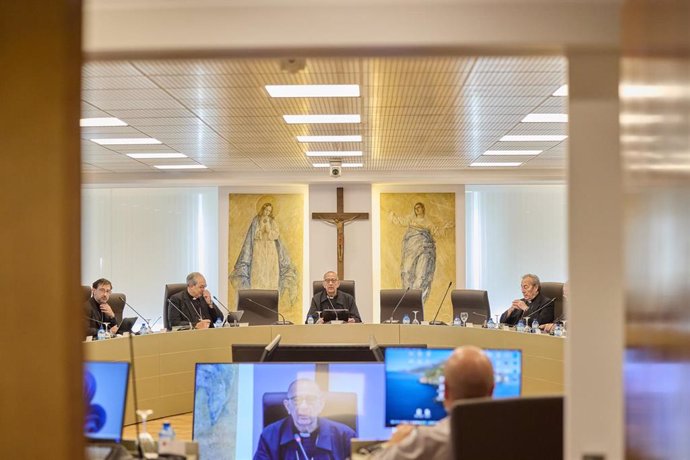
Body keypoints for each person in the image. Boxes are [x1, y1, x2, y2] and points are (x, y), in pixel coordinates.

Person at [372, 346, 494, 460]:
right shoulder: (509, 435)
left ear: (445, 391)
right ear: (491, 390)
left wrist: (394, 443)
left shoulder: (428, 439)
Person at [254, 379, 356, 460]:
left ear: (321, 405)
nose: (303, 406)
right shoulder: (270, 435)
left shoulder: (345, 435)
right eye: (297, 400)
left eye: (311, 399)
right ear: (287, 406)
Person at [230, 201, 298, 303]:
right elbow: (254, 234)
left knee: (270, 270)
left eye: (269, 211)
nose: (267, 212)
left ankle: (271, 298)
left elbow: (276, 235)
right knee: (258, 268)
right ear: (262, 209)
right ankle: (256, 297)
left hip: (270, 248)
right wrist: (261, 229)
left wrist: (269, 230)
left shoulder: (272, 221)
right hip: (259, 247)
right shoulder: (256, 220)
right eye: (266, 210)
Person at [389, 202, 452, 303]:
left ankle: (417, 302)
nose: (417, 209)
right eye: (415, 208)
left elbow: (436, 232)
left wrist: (446, 227)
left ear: (423, 209)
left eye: (419, 207)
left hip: (424, 248)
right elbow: (401, 221)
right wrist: (392, 216)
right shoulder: (411, 220)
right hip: (411, 247)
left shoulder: (428, 222)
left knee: (421, 276)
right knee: (407, 272)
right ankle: (408, 300)